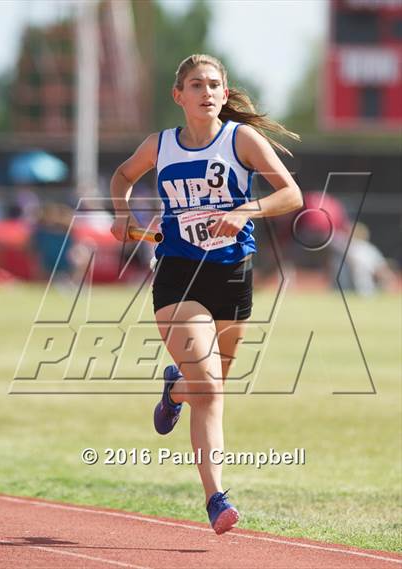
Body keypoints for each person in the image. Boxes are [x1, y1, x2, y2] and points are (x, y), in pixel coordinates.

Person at [110, 54, 303, 535]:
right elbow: (122, 177)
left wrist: (247, 210)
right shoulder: (161, 146)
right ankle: (216, 497)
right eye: (196, 85)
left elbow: (292, 195)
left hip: (233, 275)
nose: (207, 92)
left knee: (206, 389)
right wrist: (121, 214)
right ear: (179, 96)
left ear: (224, 91)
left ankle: (173, 388)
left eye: (214, 84)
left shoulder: (242, 140)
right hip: (179, 276)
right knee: (211, 392)